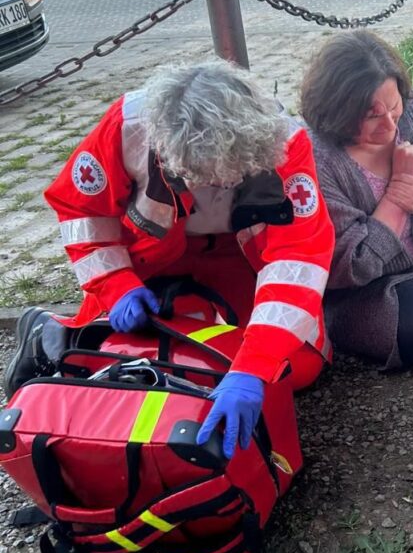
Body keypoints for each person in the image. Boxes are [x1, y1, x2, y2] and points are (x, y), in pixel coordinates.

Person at [3, 60, 335, 458]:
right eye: (201, 176)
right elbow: (83, 213)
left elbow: (298, 258)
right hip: (155, 256)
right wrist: (116, 284)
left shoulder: (283, 141)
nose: (215, 186)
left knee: (296, 367)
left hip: (241, 254)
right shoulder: (129, 127)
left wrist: (254, 365)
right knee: (122, 356)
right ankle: (50, 335)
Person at [300, 30, 413, 369]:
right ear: (337, 112)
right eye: (372, 115)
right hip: (371, 289)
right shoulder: (317, 159)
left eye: (394, 106)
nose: (388, 125)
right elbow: (352, 266)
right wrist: (399, 193)